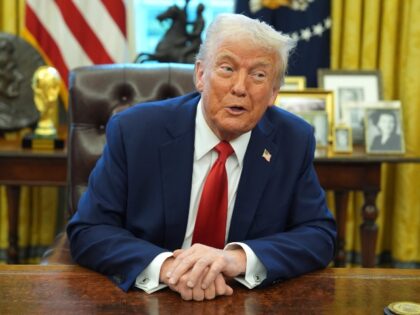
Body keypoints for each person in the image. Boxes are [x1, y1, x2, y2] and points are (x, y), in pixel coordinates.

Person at [67, 13, 336, 301]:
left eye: (258, 75)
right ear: (200, 75)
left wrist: (236, 259)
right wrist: (170, 268)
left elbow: (319, 235)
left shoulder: (292, 140)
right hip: (149, 297)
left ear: (273, 93)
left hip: (241, 298)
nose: (240, 87)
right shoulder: (135, 132)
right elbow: (90, 229)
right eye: (226, 68)